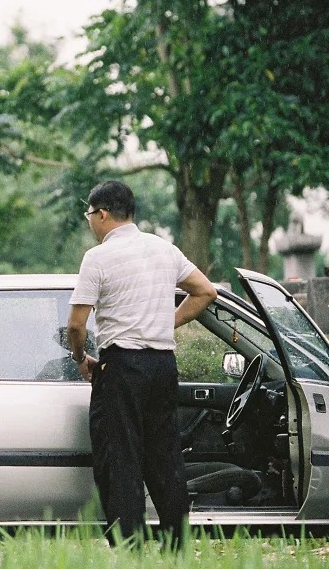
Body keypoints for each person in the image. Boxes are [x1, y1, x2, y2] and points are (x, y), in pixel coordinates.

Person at [66, 180, 217, 550]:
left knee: (119, 457)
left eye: (89, 214)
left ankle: (128, 548)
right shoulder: (164, 249)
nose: (90, 222)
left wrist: (79, 357)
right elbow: (206, 291)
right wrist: (169, 322)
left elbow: (76, 324)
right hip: (163, 367)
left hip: (121, 367)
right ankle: (176, 546)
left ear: (101, 214)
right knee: (165, 456)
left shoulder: (98, 257)